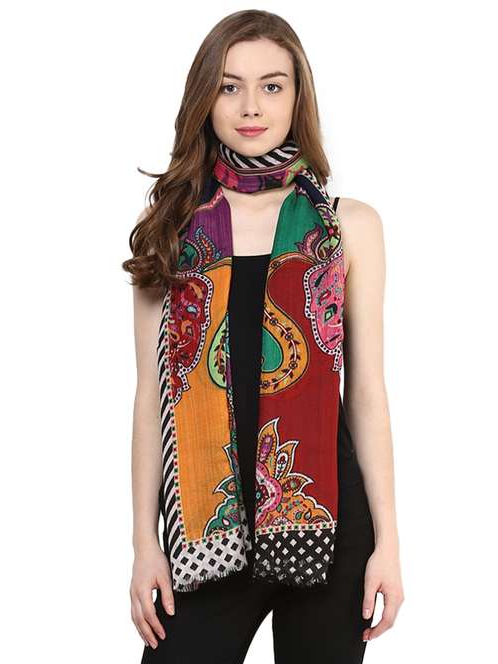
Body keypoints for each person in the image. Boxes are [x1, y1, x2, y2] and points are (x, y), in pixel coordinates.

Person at [122, 9, 404, 663]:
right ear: (205, 97)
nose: (251, 106)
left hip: (326, 526)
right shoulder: (171, 226)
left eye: (272, 85)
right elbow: (149, 399)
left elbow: (366, 392)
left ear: (298, 96)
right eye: (230, 86)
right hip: (201, 533)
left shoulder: (348, 225)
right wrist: (144, 543)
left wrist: (388, 542)